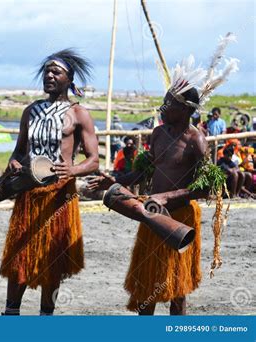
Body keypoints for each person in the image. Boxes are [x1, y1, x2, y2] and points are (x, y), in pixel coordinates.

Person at [88, 48, 238, 315]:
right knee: (148, 286)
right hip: (151, 213)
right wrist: (112, 180)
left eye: (168, 103)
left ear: (184, 109)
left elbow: (205, 187)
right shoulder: (157, 134)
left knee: (176, 289)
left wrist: (166, 197)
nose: (162, 108)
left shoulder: (196, 140)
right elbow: (142, 171)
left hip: (179, 218)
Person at [0, 49, 99, 315]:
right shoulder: (30, 111)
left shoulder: (79, 114)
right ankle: (11, 312)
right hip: (29, 192)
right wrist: (14, 162)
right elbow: (19, 150)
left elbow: (93, 161)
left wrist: (72, 170)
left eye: (56, 72)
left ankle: (46, 315)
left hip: (59, 196)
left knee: (52, 259)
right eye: (46, 71)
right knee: (20, 254)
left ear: (70, 79)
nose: (49, 76)